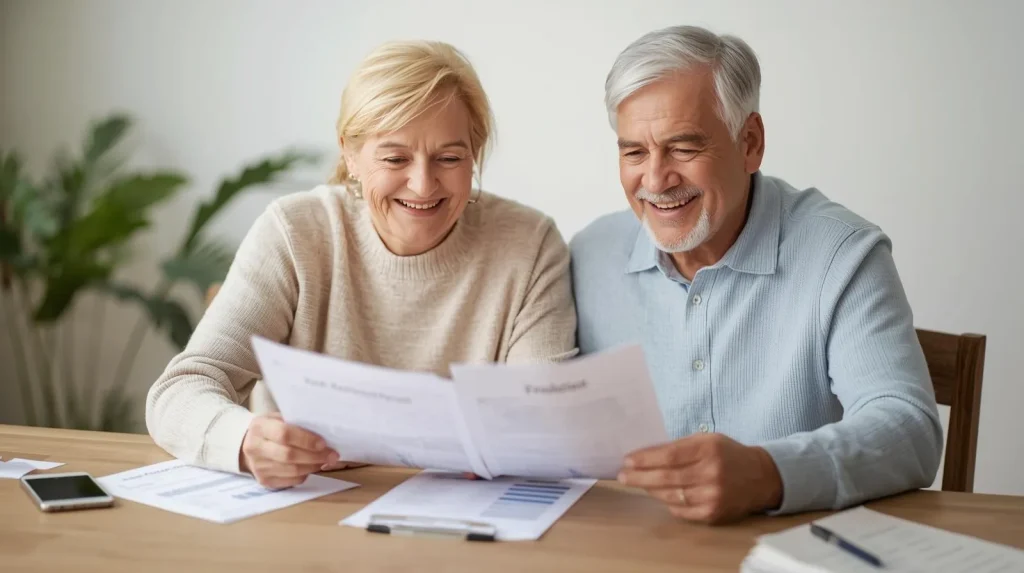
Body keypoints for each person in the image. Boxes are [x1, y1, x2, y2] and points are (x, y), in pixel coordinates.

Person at [146, 40, 577, 489]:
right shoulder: (297, 232)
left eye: (450, 158)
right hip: (312, 512)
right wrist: (245, 439)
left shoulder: (529, 244)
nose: (423, 183)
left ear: (475, 153)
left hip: (464, 519)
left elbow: (540, 416)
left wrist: (518, 439)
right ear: (350, 155)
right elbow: (181, 389)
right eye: (395, 158)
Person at [570, 25, 943, 524]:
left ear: (750, 142)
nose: (655, 180)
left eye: (683, 148)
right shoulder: (588, 256)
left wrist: (768, 473)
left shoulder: (842, 254)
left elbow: (909, 429)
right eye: (634, 151)